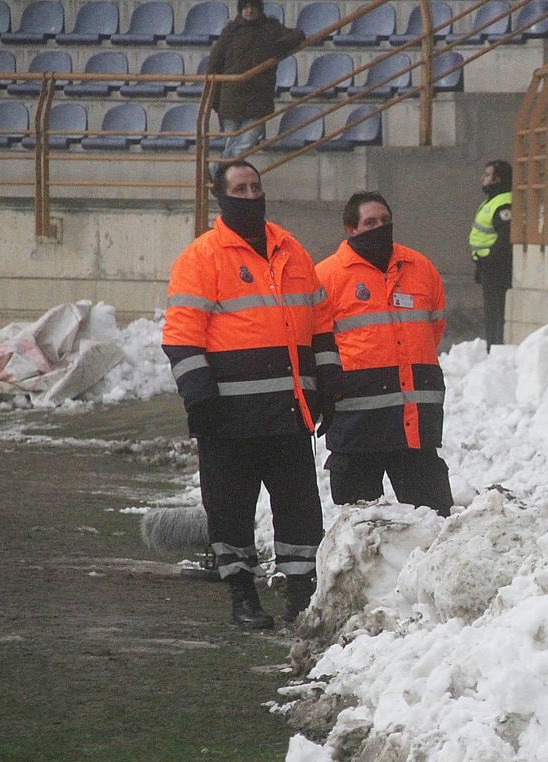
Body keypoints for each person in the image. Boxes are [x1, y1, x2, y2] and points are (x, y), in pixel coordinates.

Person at [162, 159, 337, 628]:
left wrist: (328, 383)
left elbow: (320, 324)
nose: (250, 195)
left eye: (255, 186)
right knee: (230, 510)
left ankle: (300, 597)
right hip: (229, 419)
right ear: (221, 196)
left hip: (288, 413)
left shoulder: (292, 250)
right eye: (240, 188)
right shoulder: (201, 257)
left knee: (300, 510)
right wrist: (201, 400)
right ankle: (243, 598)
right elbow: (182, 336)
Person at [316, 192, 454, 515]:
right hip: (356, 426)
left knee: (433, 519)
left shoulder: (420, 268)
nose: (380, 228)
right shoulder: (327, 276)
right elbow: (317, 344)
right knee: (361, 528)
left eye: (385, 221)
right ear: (350, 229)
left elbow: (433, 329)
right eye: (370, 222)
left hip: (414, 423)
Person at [207, 0, 305, 165]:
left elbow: (297, 35)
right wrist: (214, 98)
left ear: (259, 9)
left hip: (258, 96)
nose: (249, 10)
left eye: (253, 7)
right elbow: (215, 62)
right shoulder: (230, 31)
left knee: (247, 140)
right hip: (231, 96)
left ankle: (217, 170)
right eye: (245, 7)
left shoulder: (271, 28)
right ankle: (223, 177)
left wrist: (279, 47)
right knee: (231, 142)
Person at [470, 160, 513, 348]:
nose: (483, 179)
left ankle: (494, 349)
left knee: (496, 312)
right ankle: (492, 348)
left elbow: (504, 238)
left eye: (488, 175)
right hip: (487, 265)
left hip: (496, 266)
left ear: (498, 180)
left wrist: (488, 260)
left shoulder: (503, 204)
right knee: (491, 311)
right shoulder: (491, 202)